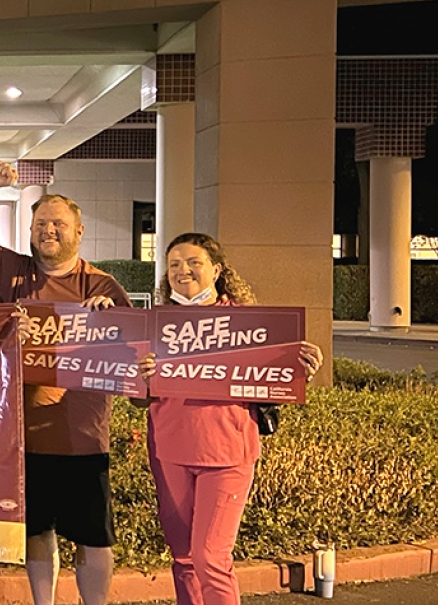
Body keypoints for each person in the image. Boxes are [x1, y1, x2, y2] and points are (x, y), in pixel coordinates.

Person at [0, 161, 130, 605]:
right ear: (30, 231)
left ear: (79, 231)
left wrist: (110, 323)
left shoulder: (102, 286)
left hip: (83, 438)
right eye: (41, 223)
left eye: (58, 224)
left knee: (93, 537)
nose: (49, 230)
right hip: (22, 439)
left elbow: (133, 357)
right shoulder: (9, 270)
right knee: (37, 533)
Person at [138, 233, 322, 605]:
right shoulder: (153, 326)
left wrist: (302, 367)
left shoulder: (248, 324)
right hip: (169, 451)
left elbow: (276, 379)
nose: (183, 271)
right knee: (184, 558)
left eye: (194, 262)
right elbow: (137, 397)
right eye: (174, 264)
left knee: (210, 558)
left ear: (216, 270)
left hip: (227, 455)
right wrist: (139, 377)